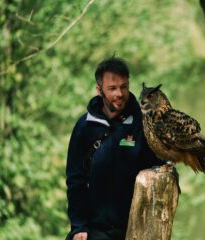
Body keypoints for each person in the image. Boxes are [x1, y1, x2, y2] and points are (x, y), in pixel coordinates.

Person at [66, 56, 163, 240]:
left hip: (133, 230)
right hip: (93, 231)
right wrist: (78, 227)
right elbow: (75, 181)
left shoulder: (144, 124)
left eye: (124, 86)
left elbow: (159, 172)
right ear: (99, 90)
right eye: (112, 88)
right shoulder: (84, 126)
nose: (119, 93)